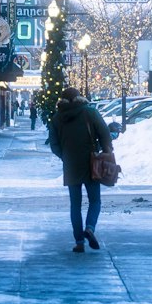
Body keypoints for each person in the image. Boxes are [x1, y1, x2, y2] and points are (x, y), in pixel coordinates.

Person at [48, 86, 113, 253]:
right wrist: (106, 150)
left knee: (75, 205)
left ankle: (79, 242)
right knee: (95, 200)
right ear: (79, 98)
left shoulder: (57, 118)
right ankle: (90, 227)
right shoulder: (89, 112)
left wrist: (65, 156)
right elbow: (104, 132)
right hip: (91, 162)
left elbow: (54, 145)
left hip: (71, 164)